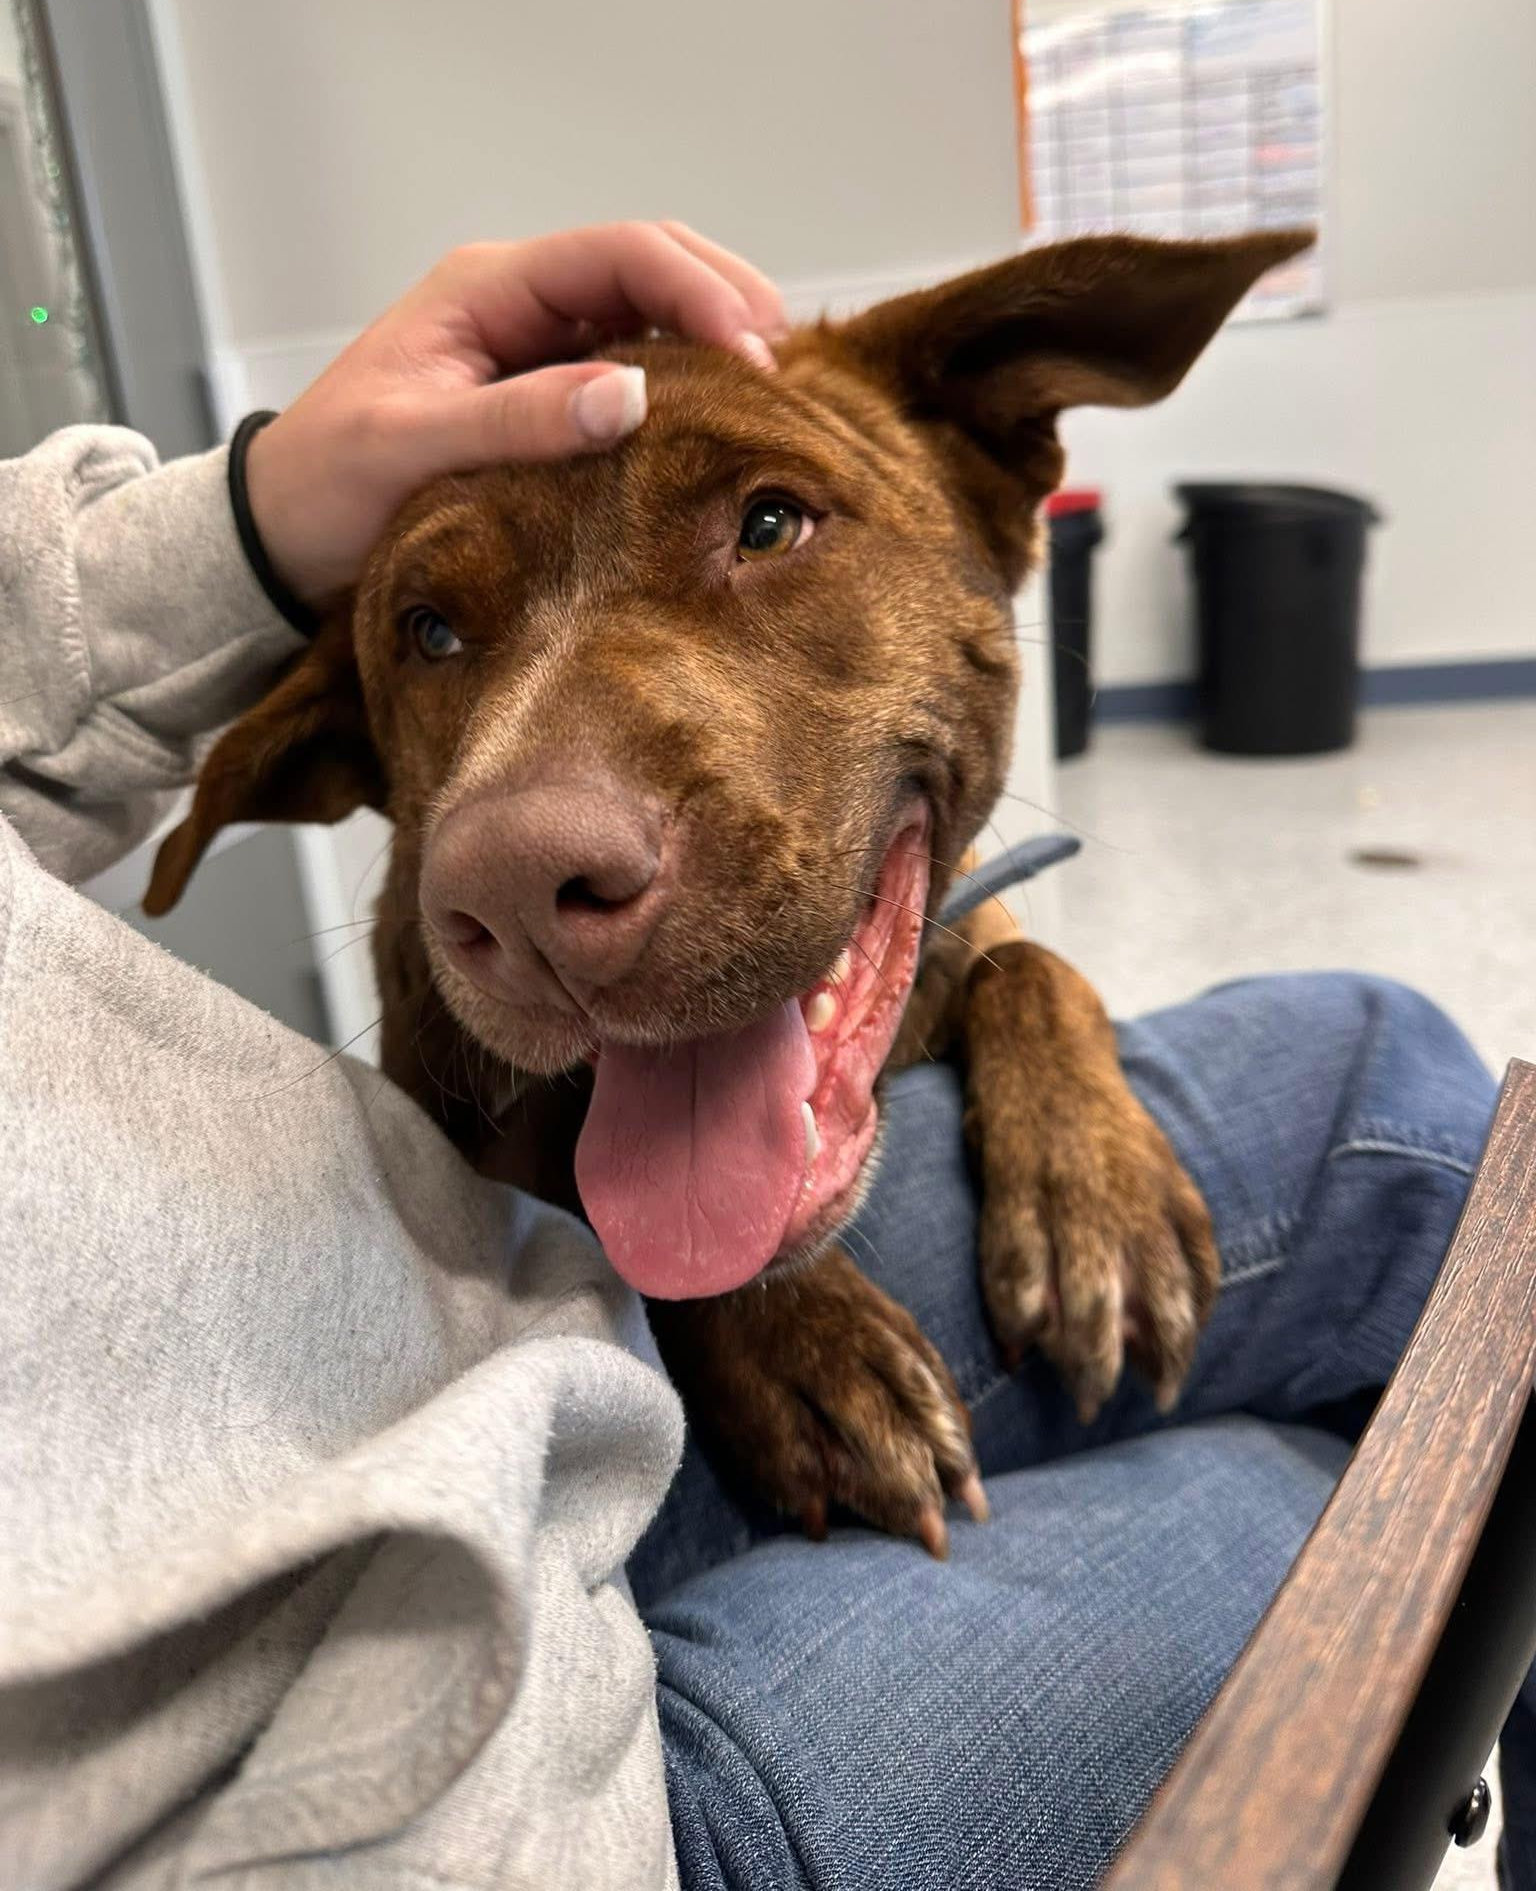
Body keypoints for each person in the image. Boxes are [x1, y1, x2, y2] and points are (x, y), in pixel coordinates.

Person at [0, 221, 1516, 1890]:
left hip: (400, 1439)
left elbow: (958, 946)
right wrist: (719, 1304)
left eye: (769, 520)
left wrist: (1035, 1008)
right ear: (346, 748)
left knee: (1414, 1209)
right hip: (454, 1795)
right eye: (434, 635)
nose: (542, 836)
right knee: (1370, 1499)